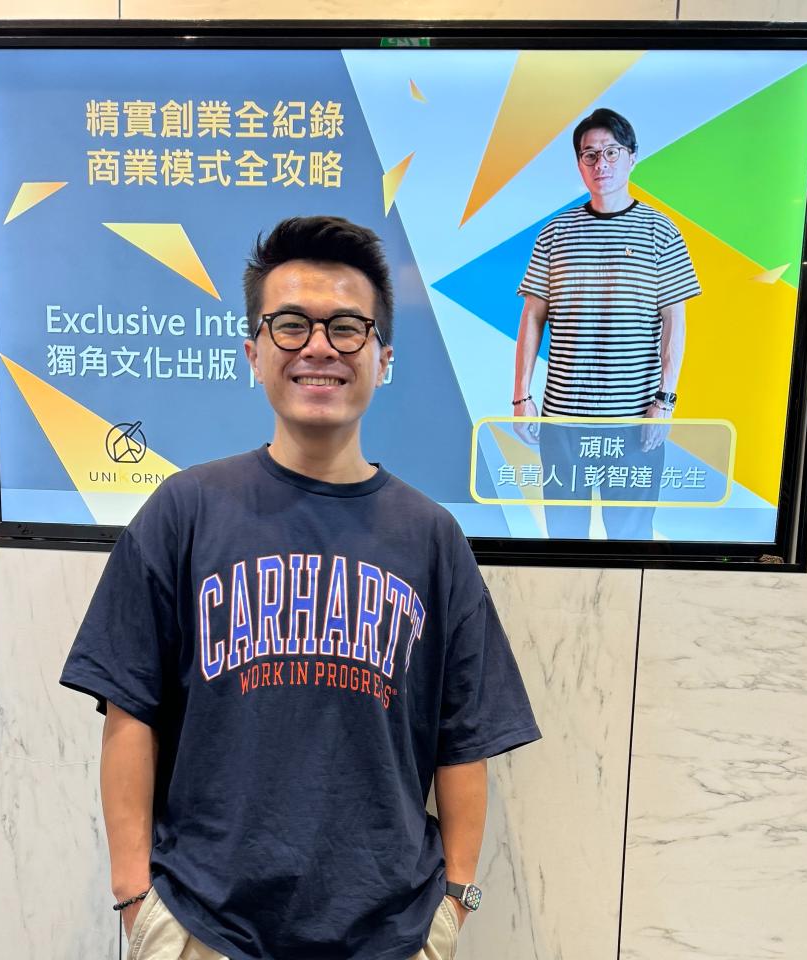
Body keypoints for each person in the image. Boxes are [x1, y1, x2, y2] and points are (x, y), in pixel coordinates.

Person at [61, 216, 541, 960]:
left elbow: (464, 737)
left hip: (390, 933)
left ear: (383, 357)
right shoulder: (186, 511)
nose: (319, 347)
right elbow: (130, 708)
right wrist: (135, 900)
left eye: (347, 327)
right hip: (204, 928)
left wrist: (455, 903)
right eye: (290, 325)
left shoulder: (431, 537)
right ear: (254, 352)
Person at [513, 107, 701, 540]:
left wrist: (665, 402)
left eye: (612, 152)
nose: (602, 164)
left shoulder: (661, 232)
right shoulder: (556, 233)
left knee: (631, 541)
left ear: (632, 157)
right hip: (563, 421)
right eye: (590, 154)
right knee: (564, 539)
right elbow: (532, 317)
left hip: (634, 422)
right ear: (579, 163)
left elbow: (675, 321)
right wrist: (521, 397)